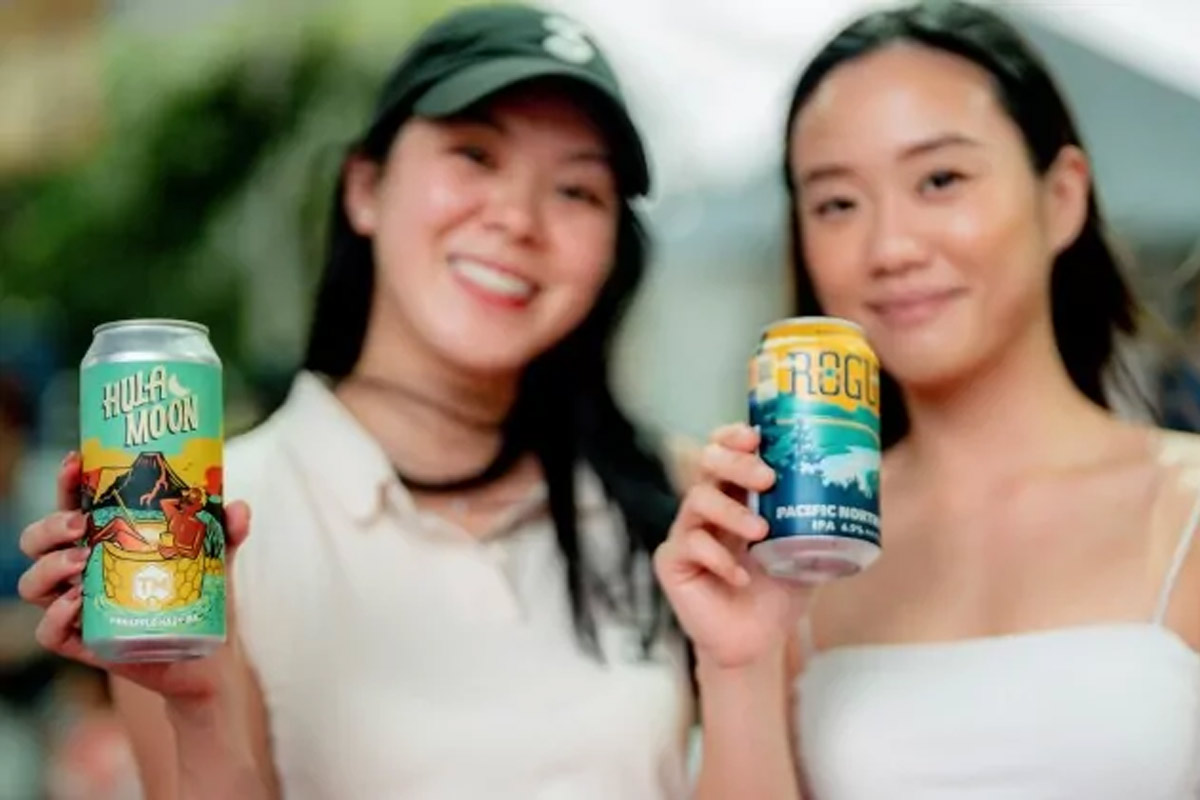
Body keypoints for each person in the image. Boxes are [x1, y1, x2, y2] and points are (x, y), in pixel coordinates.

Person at [18, 5, 695, 798]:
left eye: (578, 189)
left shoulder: (667, 505)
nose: (517, 219)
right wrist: (199, 707)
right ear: (365, 189)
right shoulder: (206, 522)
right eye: (475, 153)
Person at [655, 2, 1200, 798]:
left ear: (1063, 197)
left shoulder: (1184, 510)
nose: (891, 248)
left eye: (940, 180)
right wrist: (738, 663)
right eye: (837, 203)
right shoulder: (796, 550)